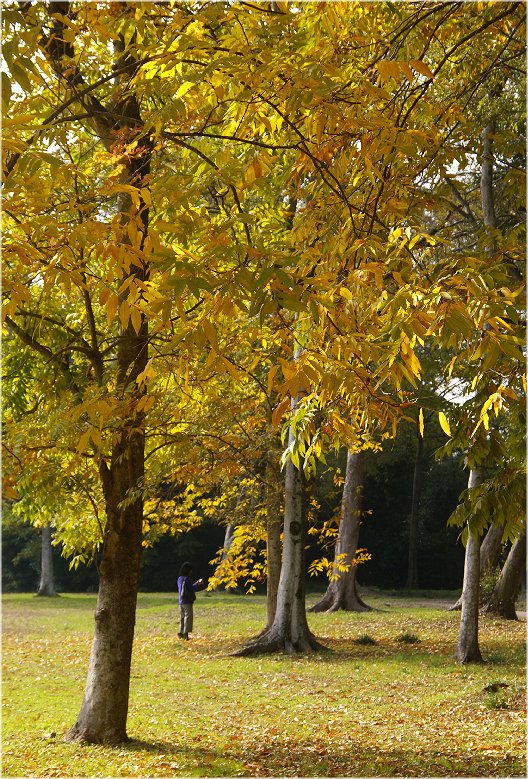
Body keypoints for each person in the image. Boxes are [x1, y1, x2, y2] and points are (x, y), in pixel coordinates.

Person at [177, 562, 206, 640]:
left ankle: (180, 632)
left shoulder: (179, 578)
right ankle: (185, 634)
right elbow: (192, 588)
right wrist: (198, 583)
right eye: (190, 570)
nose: (191, 572)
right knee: (188, 617)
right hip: (187, 601)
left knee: (182, 617)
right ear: (188, 570)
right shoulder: (187, 579)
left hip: (181, 601)